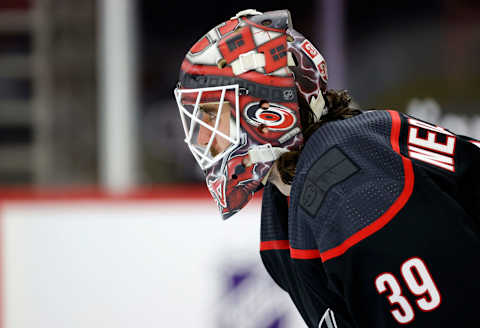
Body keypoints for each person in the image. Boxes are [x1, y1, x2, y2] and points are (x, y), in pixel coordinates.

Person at [173, 9, 480, 327]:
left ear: (266, 111)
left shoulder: (352, 186)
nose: (203, 135)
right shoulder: (285, 205)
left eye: (210, 113)